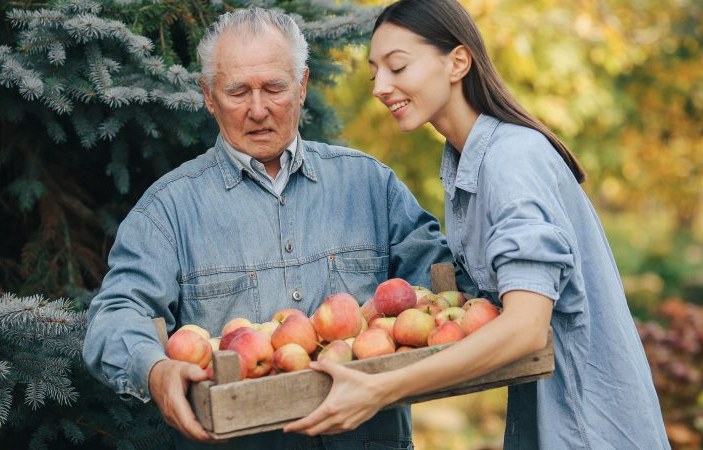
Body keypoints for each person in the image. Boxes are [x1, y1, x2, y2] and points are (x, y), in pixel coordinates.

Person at [284, 1, 671, 448]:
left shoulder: (512, 159)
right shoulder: (465, 164)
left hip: (591, 429)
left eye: (397, 66)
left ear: (458, 62)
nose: (380, 87)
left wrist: (382, 388)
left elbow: (525, 328)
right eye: (376, 73)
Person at [83, 7, 463, 450]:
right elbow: (113, 316)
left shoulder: (370, 186)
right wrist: (154, 369)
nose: (258, 110)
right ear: (208, 95)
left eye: (275, 88)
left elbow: (450, 289)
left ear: (301, 87)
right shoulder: (168, 211)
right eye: (238, 91)